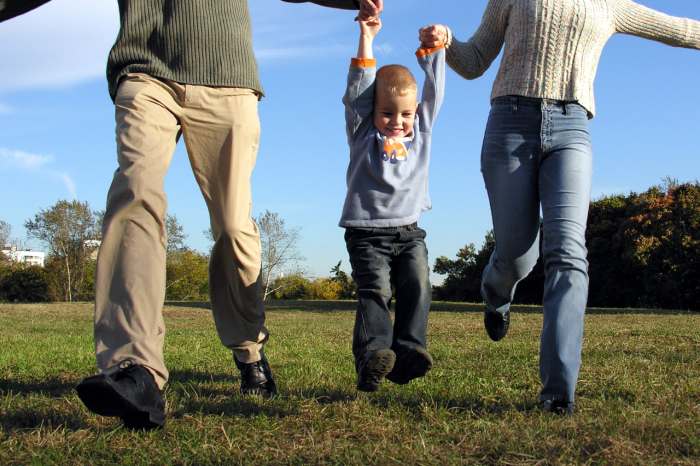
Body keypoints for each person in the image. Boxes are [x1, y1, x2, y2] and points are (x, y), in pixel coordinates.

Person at [0, 0, 384, 429]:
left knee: (233, 225)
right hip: (146, 70)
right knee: (135, 194)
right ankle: (135, 370)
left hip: (227, 76)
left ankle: (249, 350)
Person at [419, 0, 700, 414]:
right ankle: (496, 295)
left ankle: (557, 394)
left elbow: (679, 28)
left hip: (571, 127)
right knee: (517, 256)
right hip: (509, 125)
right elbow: (476, 59)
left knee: (569, 251)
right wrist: (445, 40)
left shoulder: (612, 5)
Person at [341, 17, 445, 392]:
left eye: (405, 113)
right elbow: (359, 92)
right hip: (366, 233)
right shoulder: (362, 132)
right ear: (373, 111)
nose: (398, 121)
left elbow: (434, 94)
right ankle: (372, 356)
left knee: (418, 284)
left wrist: (433, 53)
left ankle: (408, 353)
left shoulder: (422, 132)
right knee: (376, 293)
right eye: (387, 112)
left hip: (409, 232)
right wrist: (366, 37)